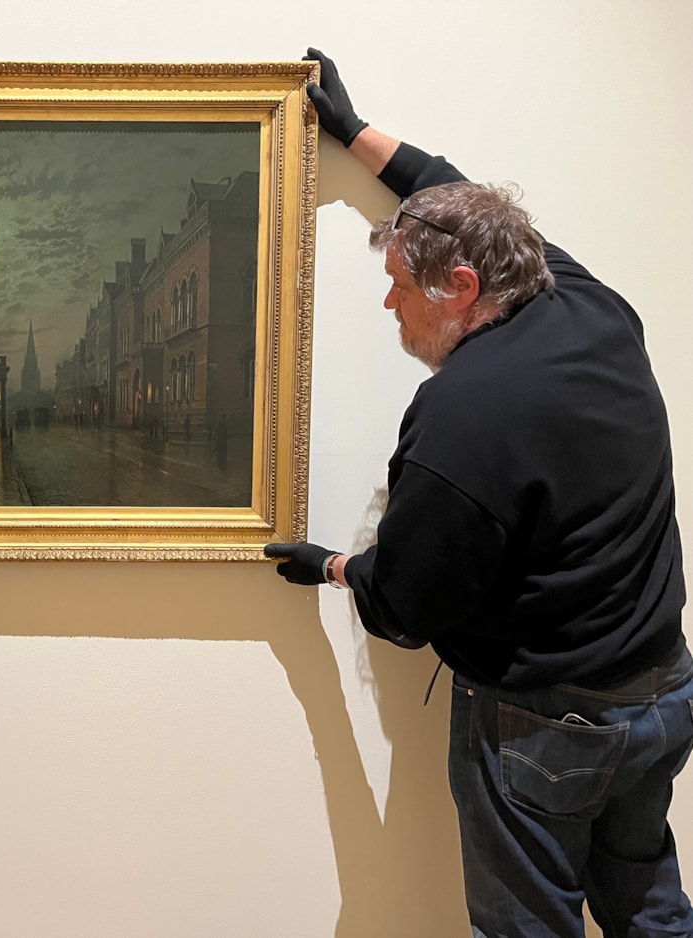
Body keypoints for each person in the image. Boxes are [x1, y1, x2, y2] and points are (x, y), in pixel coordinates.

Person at [266, 50, 693, 937]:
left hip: (549, 727)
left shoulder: (459, 414)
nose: (390, 306)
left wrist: (336, 565)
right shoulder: (587, 303)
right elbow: (449, 190)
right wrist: (355, 133)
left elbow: (403, 608)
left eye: (398, 286)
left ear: (461, 288)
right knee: (651, 910)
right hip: (663, 691)